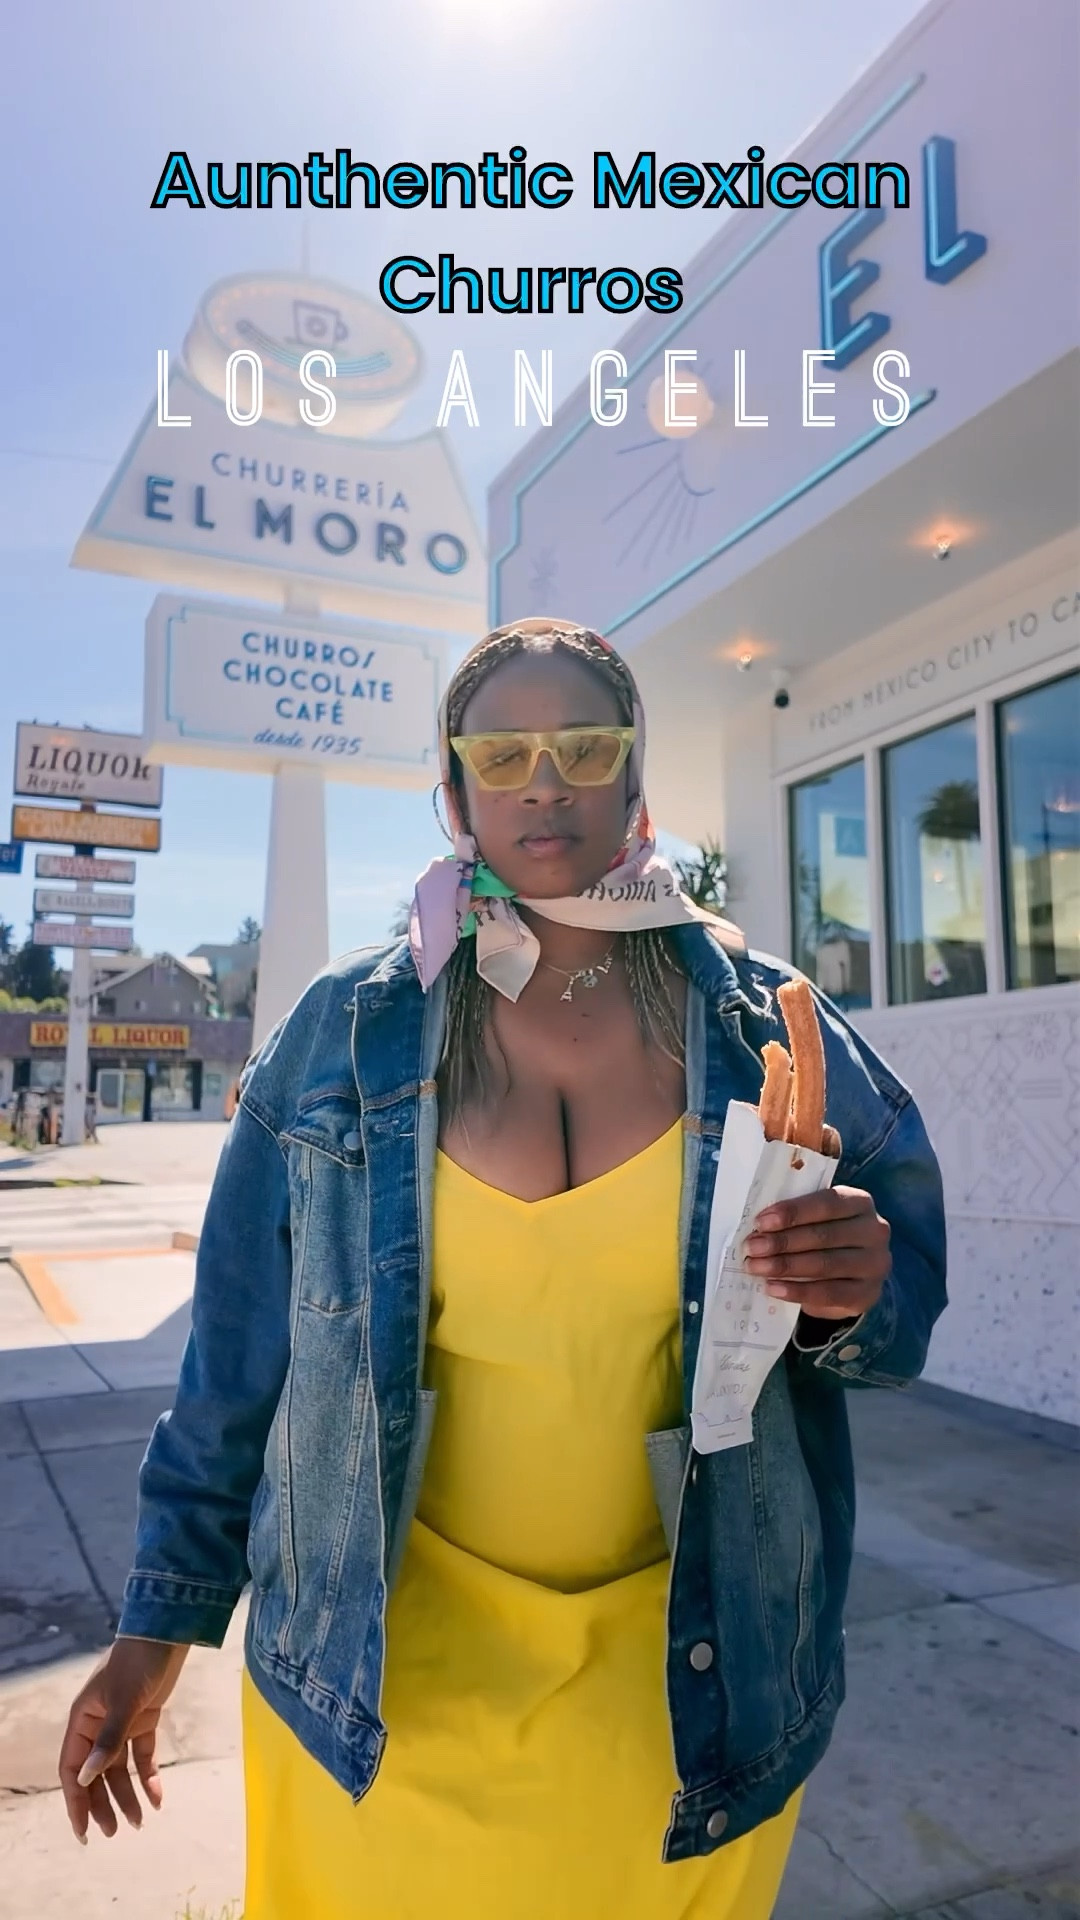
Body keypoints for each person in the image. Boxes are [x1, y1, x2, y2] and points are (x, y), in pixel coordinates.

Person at [58, 619, 947, 1919]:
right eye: (506, 749)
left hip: (686, 1693)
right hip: (378, 1689)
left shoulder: (772, 1030)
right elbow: (237, 1361)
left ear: (636, 779)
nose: (546, 780)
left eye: (583, 746)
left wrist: (852, 1292)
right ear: (455, 785)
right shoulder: (340, 1035)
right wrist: (159, 1625)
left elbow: (899, 1298)